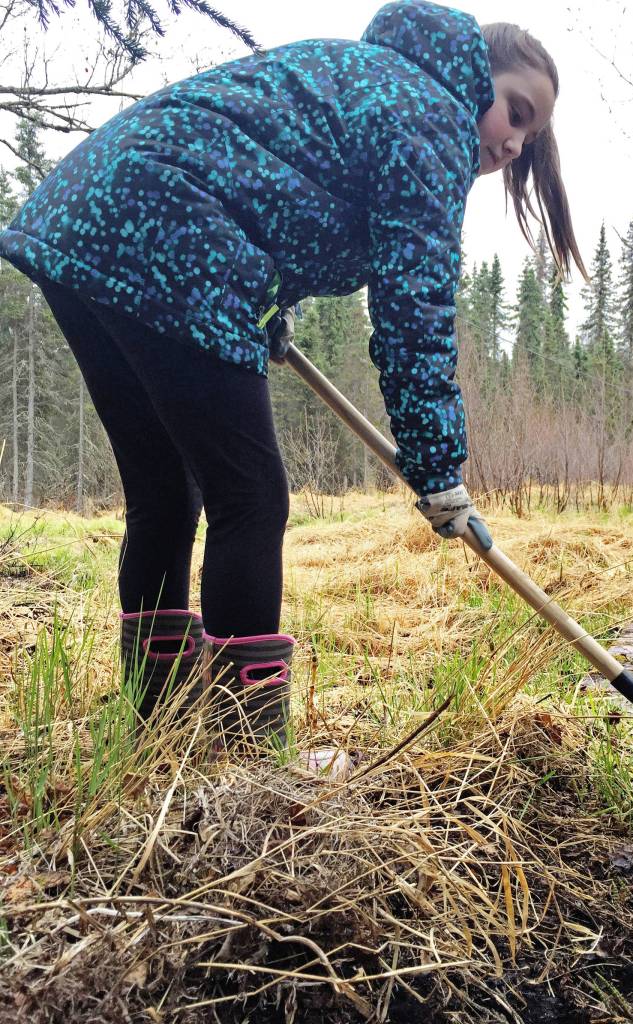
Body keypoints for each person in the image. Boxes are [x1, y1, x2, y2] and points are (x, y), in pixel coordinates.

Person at [0, 0, 584, 747]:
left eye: (532, 135)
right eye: (516, 110)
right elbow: (415, 308)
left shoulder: (372, 80)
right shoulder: (432, 114)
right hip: (168, 233)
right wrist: (439, 466)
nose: (515, 141)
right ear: (477, 74)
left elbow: (271, 179)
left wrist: (268, 307)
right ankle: (244, 761)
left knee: (164, 490)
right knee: (251, 497)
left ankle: (155, 733)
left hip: (85, 212)